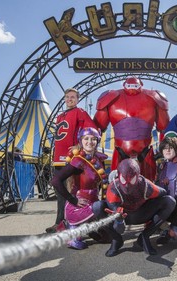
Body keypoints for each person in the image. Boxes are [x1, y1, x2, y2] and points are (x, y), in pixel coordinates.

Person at [93, 158, 176, 257]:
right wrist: (119, 219)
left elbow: (163, 193)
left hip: (141, 213)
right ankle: (116, 239)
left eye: (132, 179)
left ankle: (145, 236)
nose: (127, 185)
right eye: (124, 179)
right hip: (125, 217)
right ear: (118, 176)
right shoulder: (114, 189)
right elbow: (119, 228)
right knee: (97, 207)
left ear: (138, 176)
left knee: (169, 201)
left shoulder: (145, 186)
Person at [93, 76, 170, 180]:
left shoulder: (154, 97)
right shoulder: (154, 96)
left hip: (140, 150)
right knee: (121, 185)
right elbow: (96, 129)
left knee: (142, 185)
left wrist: (164, 152)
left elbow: (165, 128)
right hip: (126, 150)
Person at [46, 88, 97, 233]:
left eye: (73, 97)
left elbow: (92, 130)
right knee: (60, 192)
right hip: (58, 159)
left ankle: (74, 223)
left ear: (77, 99)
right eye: (67, 97)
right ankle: (60, 223)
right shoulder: (60, 116)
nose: (70, 99)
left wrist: (80, 145)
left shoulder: (80, 112)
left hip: (71, 159)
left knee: (73, 192)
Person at [50, 127, 109, 249]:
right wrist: (73, 200)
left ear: (97, 141)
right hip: (78, 207)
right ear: (80, 141)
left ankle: (88, 227)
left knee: (107, 238)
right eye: (86, 139)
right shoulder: (78, 160)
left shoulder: (97, 158)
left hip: (93, 203)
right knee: (77, 244)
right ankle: (71, 226)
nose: (89, 142)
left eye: (93, 139)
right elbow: (55, 181)